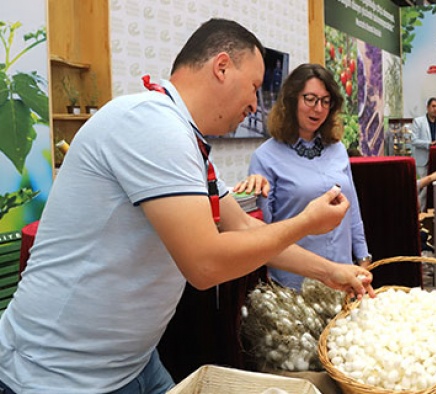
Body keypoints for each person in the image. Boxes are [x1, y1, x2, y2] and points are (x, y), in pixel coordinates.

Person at [0, 19, 373, 394]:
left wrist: (329, 271)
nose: (254, 105)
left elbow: (243, 227)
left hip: (132, 363)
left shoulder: (185, 141)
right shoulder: (151, 123)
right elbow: (205, 264)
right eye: (255, 88)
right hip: (58, 373)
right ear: (222, 67)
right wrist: (306, 223)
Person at [234, 63, 372, 290]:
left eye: (325, 101)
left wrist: (363, 256)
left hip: (344, 277)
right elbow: (263, 231)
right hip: (296, 284)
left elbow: (352, 209)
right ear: (291, 100)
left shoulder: (337, 149)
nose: (318, 109)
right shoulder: (265, 157)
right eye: (310, 99)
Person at [411, 97, 436, 210]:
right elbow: (414, 141)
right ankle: (419, 210)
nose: (435, 109)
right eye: (433, 106)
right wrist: (430, 144)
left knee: (435, 185)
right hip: (422, 159)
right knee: (424, 186)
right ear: (427, 107)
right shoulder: (418, 121)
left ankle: (432, 210)